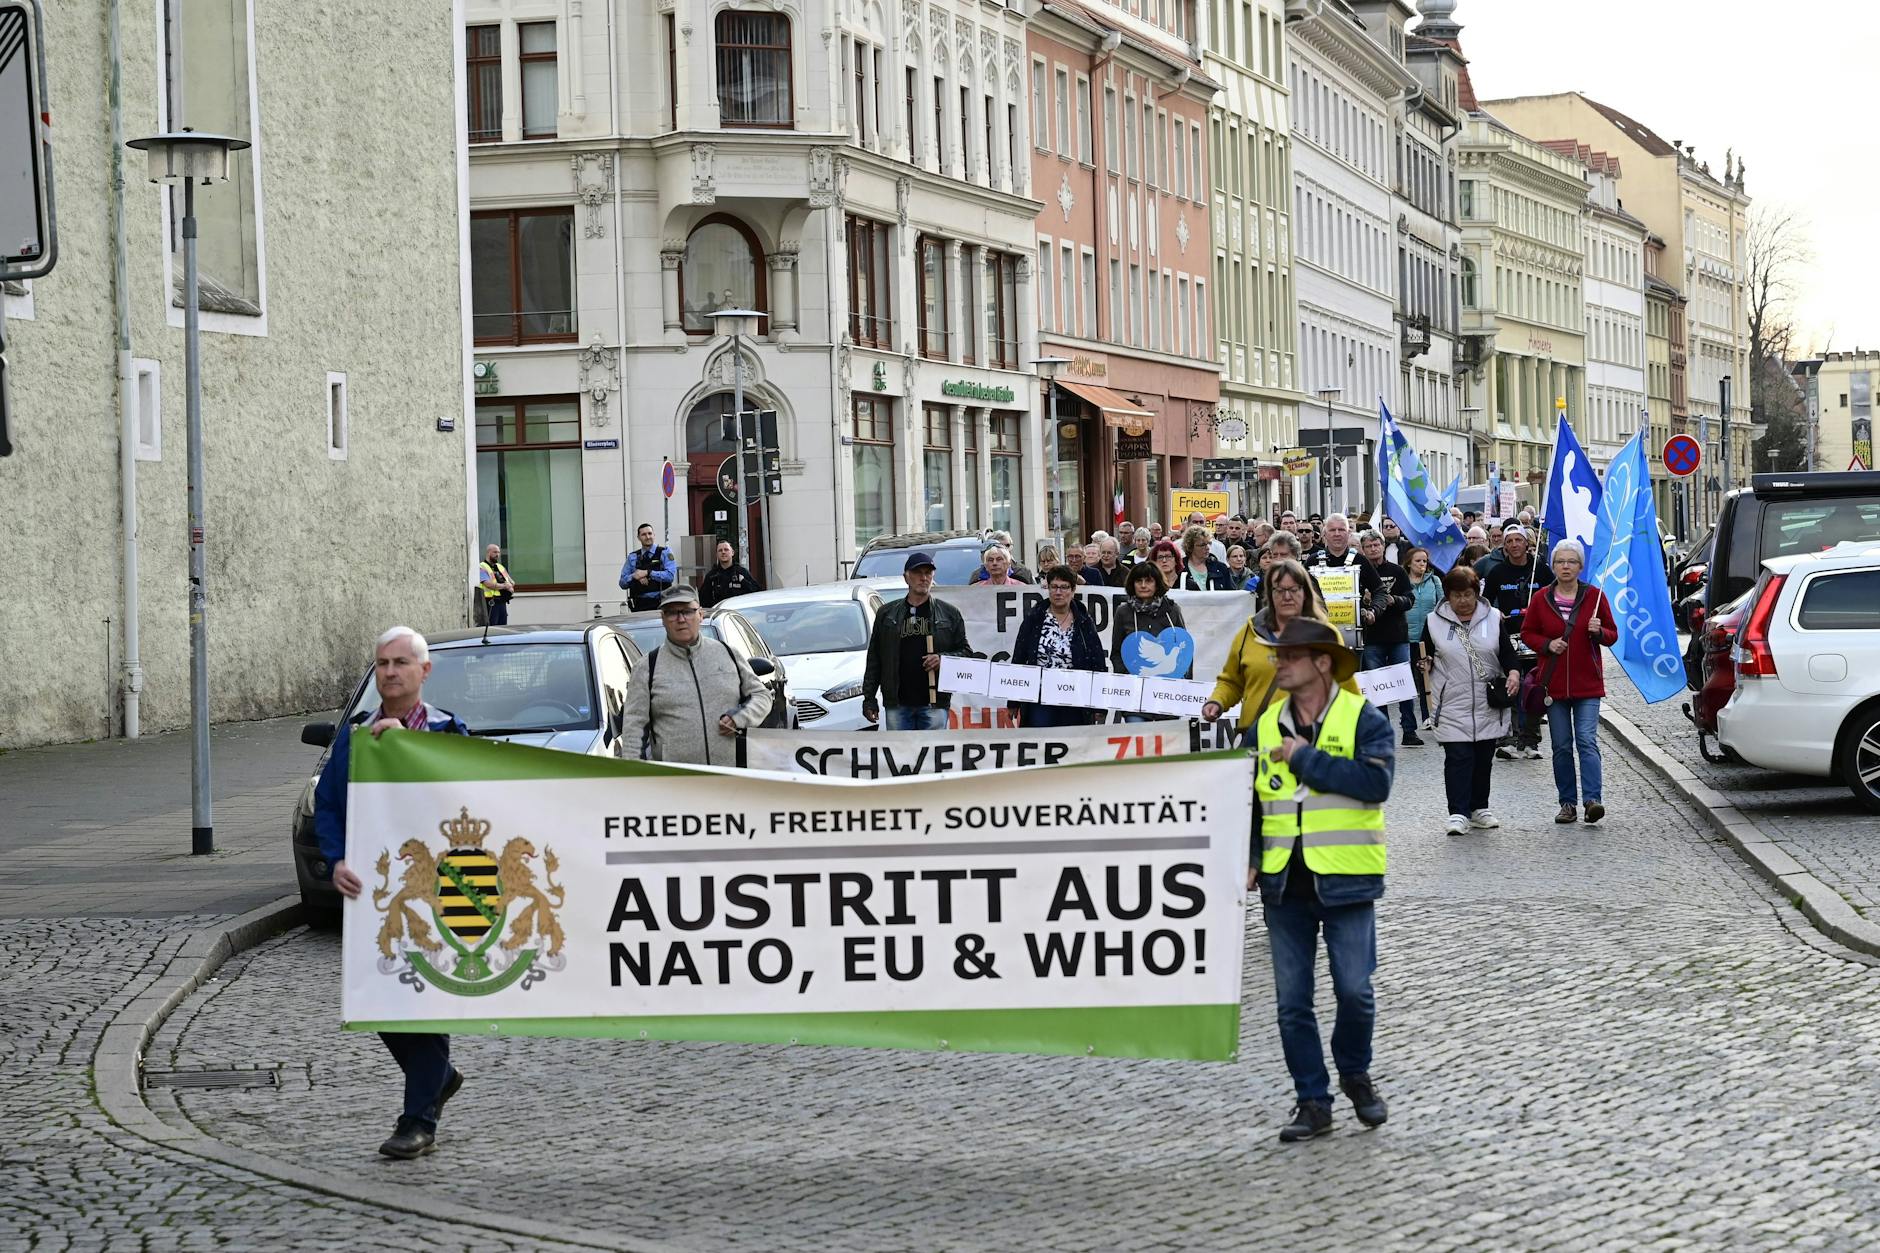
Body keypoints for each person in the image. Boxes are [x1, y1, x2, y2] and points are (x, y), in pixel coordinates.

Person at [313, 626, 470, 1161]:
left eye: (401, 662)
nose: (390, 672)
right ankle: (440, 1076)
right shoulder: (356, 737)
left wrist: (406, 744)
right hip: (376, 892)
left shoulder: (450, 733)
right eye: (382, 663)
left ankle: (417, 1120)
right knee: (376, 997)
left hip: (439, 892)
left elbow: (471, 796)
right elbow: (329, 807)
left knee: (425, 1002)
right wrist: (335, 861)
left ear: (424, 672)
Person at [1252, 618, 1396, 1143]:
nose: (1278, 664)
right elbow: (1246, 799)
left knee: (1355, 991)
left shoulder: (1365, 720)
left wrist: (1304, 758)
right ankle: (1312, 1101)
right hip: (1283, 883)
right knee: (1292, 1004)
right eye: (1277, 655)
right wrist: (1248, 856)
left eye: (1288, 656)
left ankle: (1355, 1072)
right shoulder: (1265, 724)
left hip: (1347, 878)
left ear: (1320, 663)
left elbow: (1375, 784)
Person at [1520, 539, 1618, 825]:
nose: (1566, 566)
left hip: (1587, 683)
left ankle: (1592, 800)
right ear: (1552, 566)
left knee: (1587, 741)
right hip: (1554, 686)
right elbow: (1528, 633)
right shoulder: (1540, 599)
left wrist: (1599, 632)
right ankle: (1567, 803)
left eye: (1571, 561)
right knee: (1562, 745)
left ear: (1580, 566)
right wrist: (1548, 644)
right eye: (1560, 561)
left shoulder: (1595, 597)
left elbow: (1613, 635)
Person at [1201, 558, 1356, 737]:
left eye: (1293, 589)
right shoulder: (1249, 633)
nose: (1287, 596)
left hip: (1313, 739)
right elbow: (1231, 681)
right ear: (1269, 594)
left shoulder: (1325, 635)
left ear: (1305, 592)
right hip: (1257, 738)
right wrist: (1217, 702)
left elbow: (1347, 689)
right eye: (1279, 590)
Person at [620, 585, 772, 765]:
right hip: (678, 783)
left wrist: (739, 718)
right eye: (672, 613)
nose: (681, 619)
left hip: (731, 778)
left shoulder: (727, 654)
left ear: (700, 615)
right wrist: (635, 777)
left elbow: (762, 696)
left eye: (687, 611)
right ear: (663, 619)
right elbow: (633, 730)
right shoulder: (647, 667)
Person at [1421, 565, 1519, 835]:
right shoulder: (1433, 622)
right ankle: (1458, 812)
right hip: (1451, 700)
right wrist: (1424, 664)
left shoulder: (1494, 618)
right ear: (1447, 597)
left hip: (1487, 701)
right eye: (1456, 595)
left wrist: (1513, 673)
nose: (1462, 600)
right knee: (1458, 756)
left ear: (1476, 593)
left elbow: (1507, 653)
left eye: (1467, 594)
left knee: (1483, 756)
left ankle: (1479, 808)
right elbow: (1423, 654)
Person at [862, 551, 975, 730]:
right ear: (906, 577)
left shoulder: (949, 613)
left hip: (934, 703)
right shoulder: (887, 614)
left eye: (928, 573)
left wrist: (943, 659)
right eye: (918, 573)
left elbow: (966, 653)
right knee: (900, 755)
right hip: (897, 703)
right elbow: (875, 658)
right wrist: (869, 698)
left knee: (932, 755)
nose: (923, 578)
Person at [1478, 524, 1546, 760]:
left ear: (1527, 544)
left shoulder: (1541, 570)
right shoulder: (1497, 572)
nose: (1515, 545)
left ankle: (1531, 739)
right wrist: (1495, 614)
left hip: (1536, 637)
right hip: (1508, 638)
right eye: (1509, 541)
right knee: (1511, 688)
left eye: (1519, 540)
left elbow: (1553, 598)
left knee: (1534, 690)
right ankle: (1509, 738)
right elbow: (1484, 603)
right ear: (1504, 546)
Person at [1009, 566, 1106, 728]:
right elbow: (1019, 658)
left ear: (1073, 590)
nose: (1058, 592)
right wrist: (1013, 701)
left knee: (1074, 746)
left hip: (1076, 696)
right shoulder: (1035, 618)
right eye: (1054, 587)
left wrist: (1099, 705)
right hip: (1040, 696)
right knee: (1039, 744)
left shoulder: (1083, 620)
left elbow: (1097, 662)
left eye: (1064, 587)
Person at [1357, 529, 1418, 745]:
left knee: (1403, 684)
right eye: (1369, 546)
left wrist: (1393, 600)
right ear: (1362, 550)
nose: (1373, 549)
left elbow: (1410, 600)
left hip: (1397, 635)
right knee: (1377, 687)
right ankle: (1383, 731)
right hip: (1372, 637)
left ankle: (1409, 730)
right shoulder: (1359, 572)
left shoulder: (1397, 571)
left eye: (1376, 545)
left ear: (1383, 546)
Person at [1401, 545, 1442, 730]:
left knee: (1426, 676)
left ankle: (1428, 716)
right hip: (1406, 635)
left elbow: (1442, 605)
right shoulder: (1402, 581)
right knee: (1409, 679)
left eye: (1424, 561)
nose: (1422, 564)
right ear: (1409, 563)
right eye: (1418, 561)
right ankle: (1407, 719)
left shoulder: (1434, 581)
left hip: (1428, 636)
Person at [618, 523, 677, 612]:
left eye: (650, 533)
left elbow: (670, 576)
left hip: (662, 604)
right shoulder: (633, 557)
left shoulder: (665, 552)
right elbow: (622, 583)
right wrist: (634, 576)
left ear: (654, 535)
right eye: (644, 534)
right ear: (638, 537)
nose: (648, 537)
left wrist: (648, 573)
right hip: (639, 606)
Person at [698, 540, 761, 608]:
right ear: (717, 554)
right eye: (720, 550)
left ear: (732, 553)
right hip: (719, 614)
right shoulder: (711, 576)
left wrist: (743, 582)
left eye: (726, 549)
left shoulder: (742, 572)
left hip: (739, 613)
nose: (723, 552)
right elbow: (702, 599)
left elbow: (756, 593)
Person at [1177, 525, 1233, 590]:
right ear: (1190, 547)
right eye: (1202, 545)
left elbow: (1231, 593)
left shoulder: (1220, 568)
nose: (1207, 548)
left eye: (1208, 543)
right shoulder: (1180, 568)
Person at [474, 543, 515, 626]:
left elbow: (512, 582)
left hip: (502, 601)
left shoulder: (500, 567)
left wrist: (509, 585)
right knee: (493, 627)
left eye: (499, 552)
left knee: (503, 627)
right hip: (491, 602)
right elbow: (488, 584)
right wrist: (504, 586)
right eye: (495, 552)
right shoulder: (482, 566)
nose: (498, 555)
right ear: (489, 553)